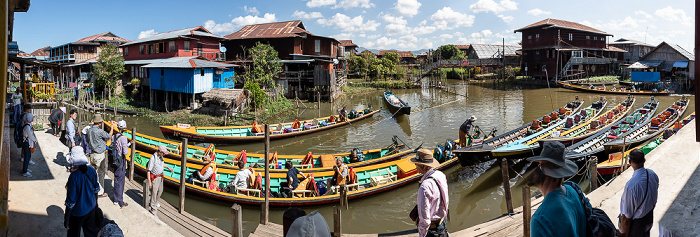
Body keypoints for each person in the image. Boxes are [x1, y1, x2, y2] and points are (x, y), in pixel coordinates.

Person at [526, 141, 587, 236]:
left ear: (555, 176)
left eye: (541, 166)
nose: (536, 170)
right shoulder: (574, 188)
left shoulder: (540, 219)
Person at [618, 149, 659, 237]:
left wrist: (623, 233)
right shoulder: (652, 174)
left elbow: (626, 217)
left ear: (629, 162)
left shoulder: (631, 186)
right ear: (644, 160)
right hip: (649, 218)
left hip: (637, 225)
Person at [410, 149, 449, 237]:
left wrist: (422, 235)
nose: (415, 166)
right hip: (442, 220)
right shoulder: (441, 174)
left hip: (432, 229)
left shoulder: (424, 186)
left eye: (416, 164)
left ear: (424, 166)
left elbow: (425, 220)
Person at [64, 146, 100, 237]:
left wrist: (67, 219)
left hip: (78, 212)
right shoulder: (91, 169)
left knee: (73, 234)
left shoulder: (74, 177)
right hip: (91, 207)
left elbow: (71, 201)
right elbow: (96, 189)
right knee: (91, 233)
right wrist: (95, 205)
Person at [86, 114, 114, 197]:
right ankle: (100, 192)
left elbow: (87, 140)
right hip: (99, 155)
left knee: (93, 173)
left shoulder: (89, 130)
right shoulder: (99, 131)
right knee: (101, 174)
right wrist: (111, 128)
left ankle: (92, 189)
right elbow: (109, 137)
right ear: (99, 123)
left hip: (92, 154)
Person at [146, 145, 173, 216]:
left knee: (160, 191)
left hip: (160, 176)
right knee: (154, 193)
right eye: (163, 153)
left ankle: (154, 202)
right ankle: (153, 210)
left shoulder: (161, 157)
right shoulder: (153, 158)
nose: (164, 154)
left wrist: (168, 167)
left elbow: (162, 164)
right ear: (160, 152)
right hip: (154, 178)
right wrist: (149, 182)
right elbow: (148, 170)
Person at [111, 120, 130, 208]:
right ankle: (120, 201)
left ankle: (115, 199)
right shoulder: (123, 138)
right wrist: (129, 144)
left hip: (114, 160)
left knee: (116, 179)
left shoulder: (113, 137)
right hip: (120, 161)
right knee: (121, 181)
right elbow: (125, 152)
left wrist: (127, 144)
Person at [21, 113, 38, 177]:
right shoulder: (27, 127)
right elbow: (30, 136)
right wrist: (35, 140)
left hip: (28, 143)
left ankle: (25, 169)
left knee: (28, 156)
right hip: (26, 143)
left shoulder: (28, 125)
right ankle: (25, 171)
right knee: (27, 157)